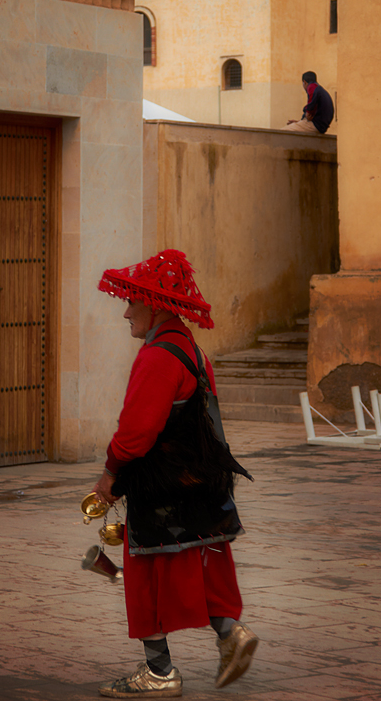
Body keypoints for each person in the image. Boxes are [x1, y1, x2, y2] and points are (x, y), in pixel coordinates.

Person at [93, 249, 258, 698]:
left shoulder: (157, 357)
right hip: (199, 483)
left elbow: (135, 433)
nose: (126, 311)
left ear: (157, 305)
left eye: (133, 301)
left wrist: (109, 475)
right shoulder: (190, 350)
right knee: (202, 562)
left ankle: (159, 671)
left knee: (143, 569)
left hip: (161, 486)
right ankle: (231, 634)